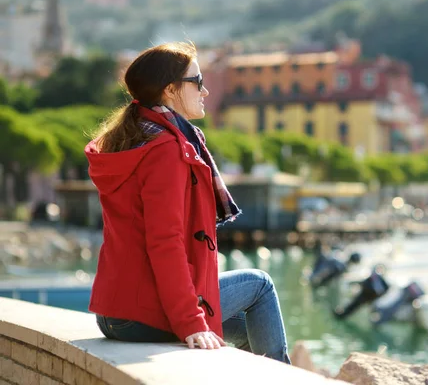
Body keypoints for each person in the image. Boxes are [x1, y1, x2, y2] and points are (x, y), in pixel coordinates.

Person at [85, 42, 290, 363]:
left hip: (115, 312)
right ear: (170, 89)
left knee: (245, 326)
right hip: (143, 313)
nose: (205, 91)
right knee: (259, 285)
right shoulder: (166, 150)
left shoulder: (134, 138)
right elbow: (164, 242)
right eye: (198, 82)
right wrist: (189, 322)